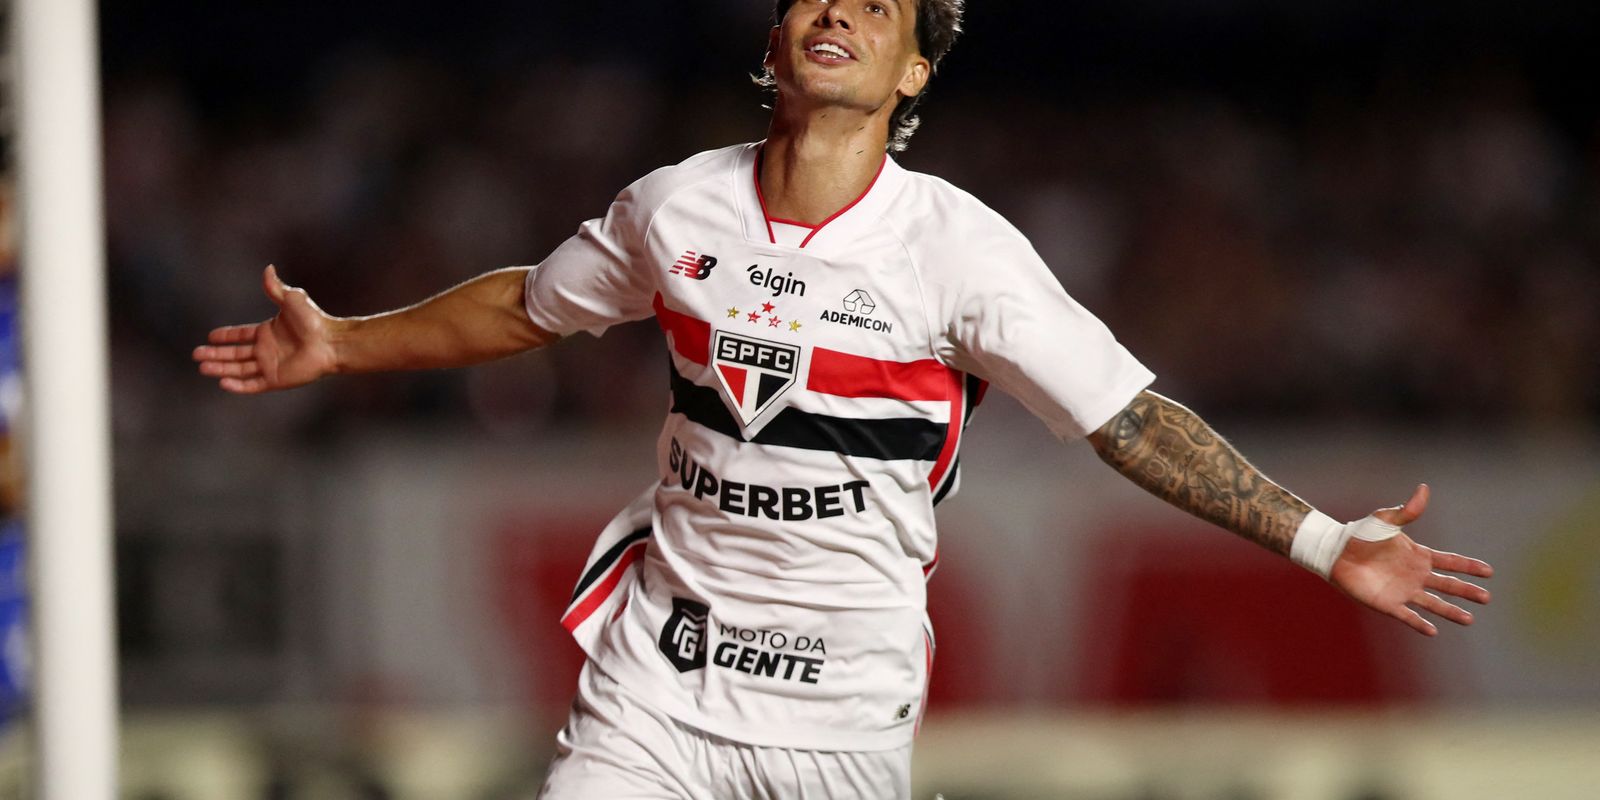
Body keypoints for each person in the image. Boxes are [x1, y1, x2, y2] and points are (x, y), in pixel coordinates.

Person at [194, 0, 1494, 797]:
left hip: (839, 711)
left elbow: (1129, 418)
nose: (840, 12)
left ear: (915, 71)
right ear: (774, 39)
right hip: (657, 685)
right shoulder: (674, 208)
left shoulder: (960, 254)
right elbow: (531, 304)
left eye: (880, 8)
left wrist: (1323, 543)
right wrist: (344, 345)